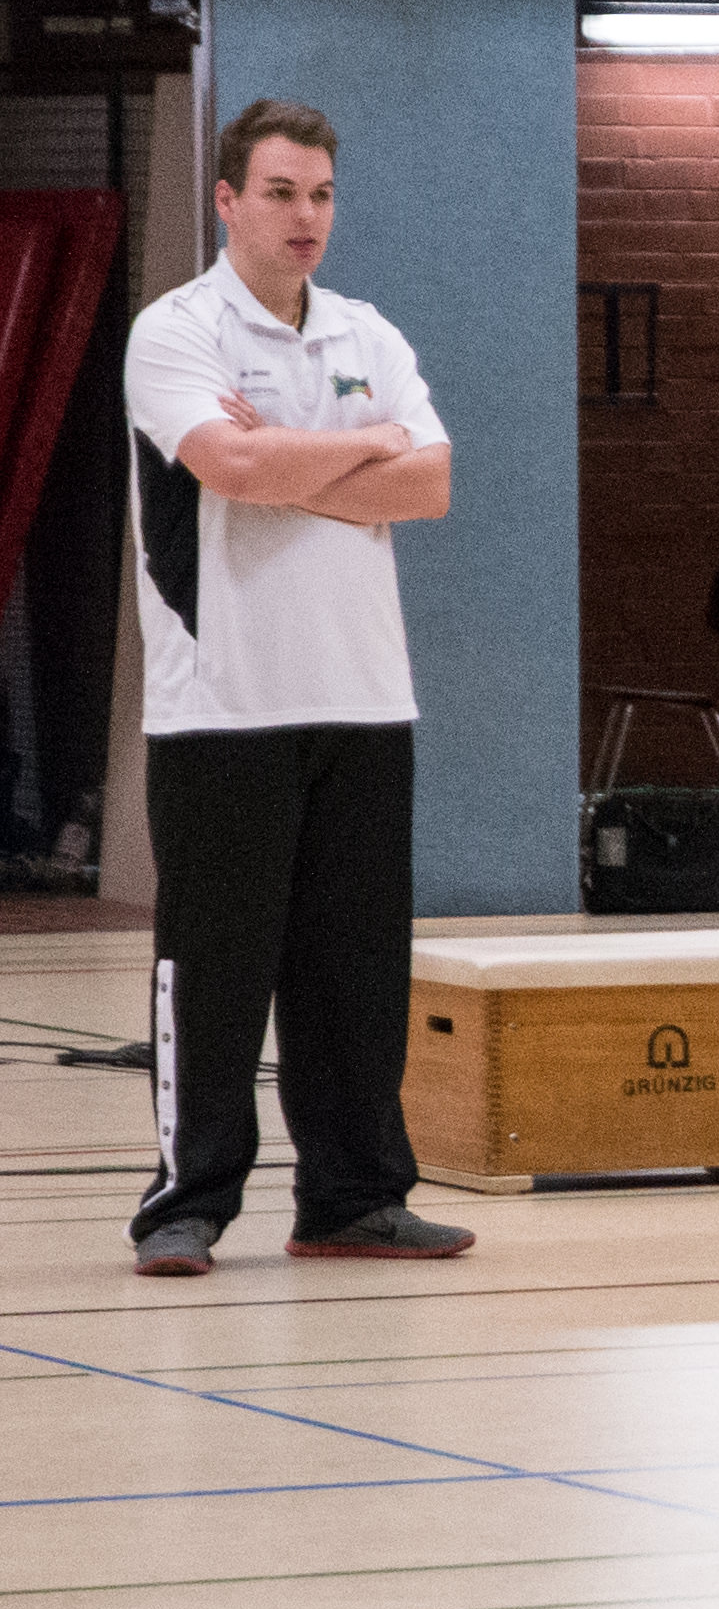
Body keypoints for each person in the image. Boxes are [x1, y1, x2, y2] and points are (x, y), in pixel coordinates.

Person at [120, 100, 468, 1276]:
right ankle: (186, 1203)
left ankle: (353, 1198)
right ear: (228, 201)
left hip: (364, 698)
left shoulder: (369, 332)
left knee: (355, 971)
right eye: (279, 192)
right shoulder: (176, 332)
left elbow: (431, 487)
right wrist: (366, 444)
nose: (303, 215)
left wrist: (290, 460)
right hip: (224, 703)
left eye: (319, 194)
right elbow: (225, 463)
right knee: (213, 971)